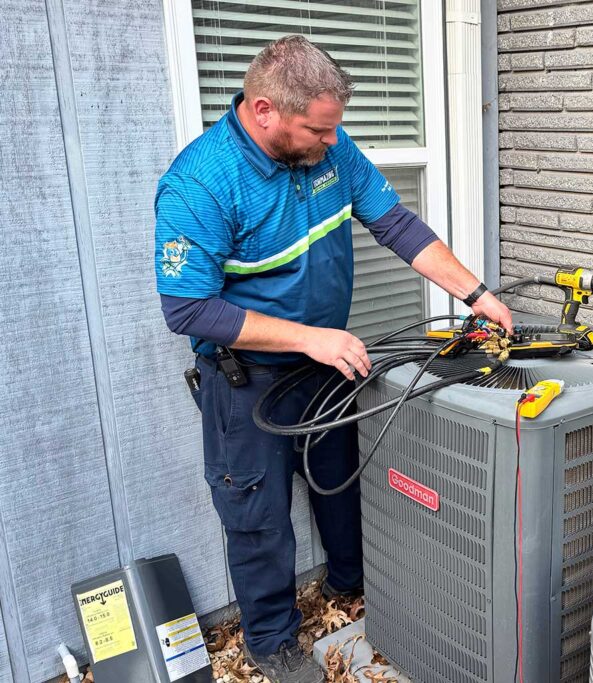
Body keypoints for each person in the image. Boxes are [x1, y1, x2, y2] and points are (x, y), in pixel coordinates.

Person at [154, 35, 511, 683]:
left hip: (324, 368)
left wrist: (476, 293)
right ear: (265, 111)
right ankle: (270, 640)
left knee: (342, 481)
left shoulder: (331, 148)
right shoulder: (200, 182)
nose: (331, 141)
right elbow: (188, 309)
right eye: (317, 130)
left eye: (333, 128)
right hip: (245, 381)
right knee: (258, 514)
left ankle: (353, 583)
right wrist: (309, 337)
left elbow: (395, 223)